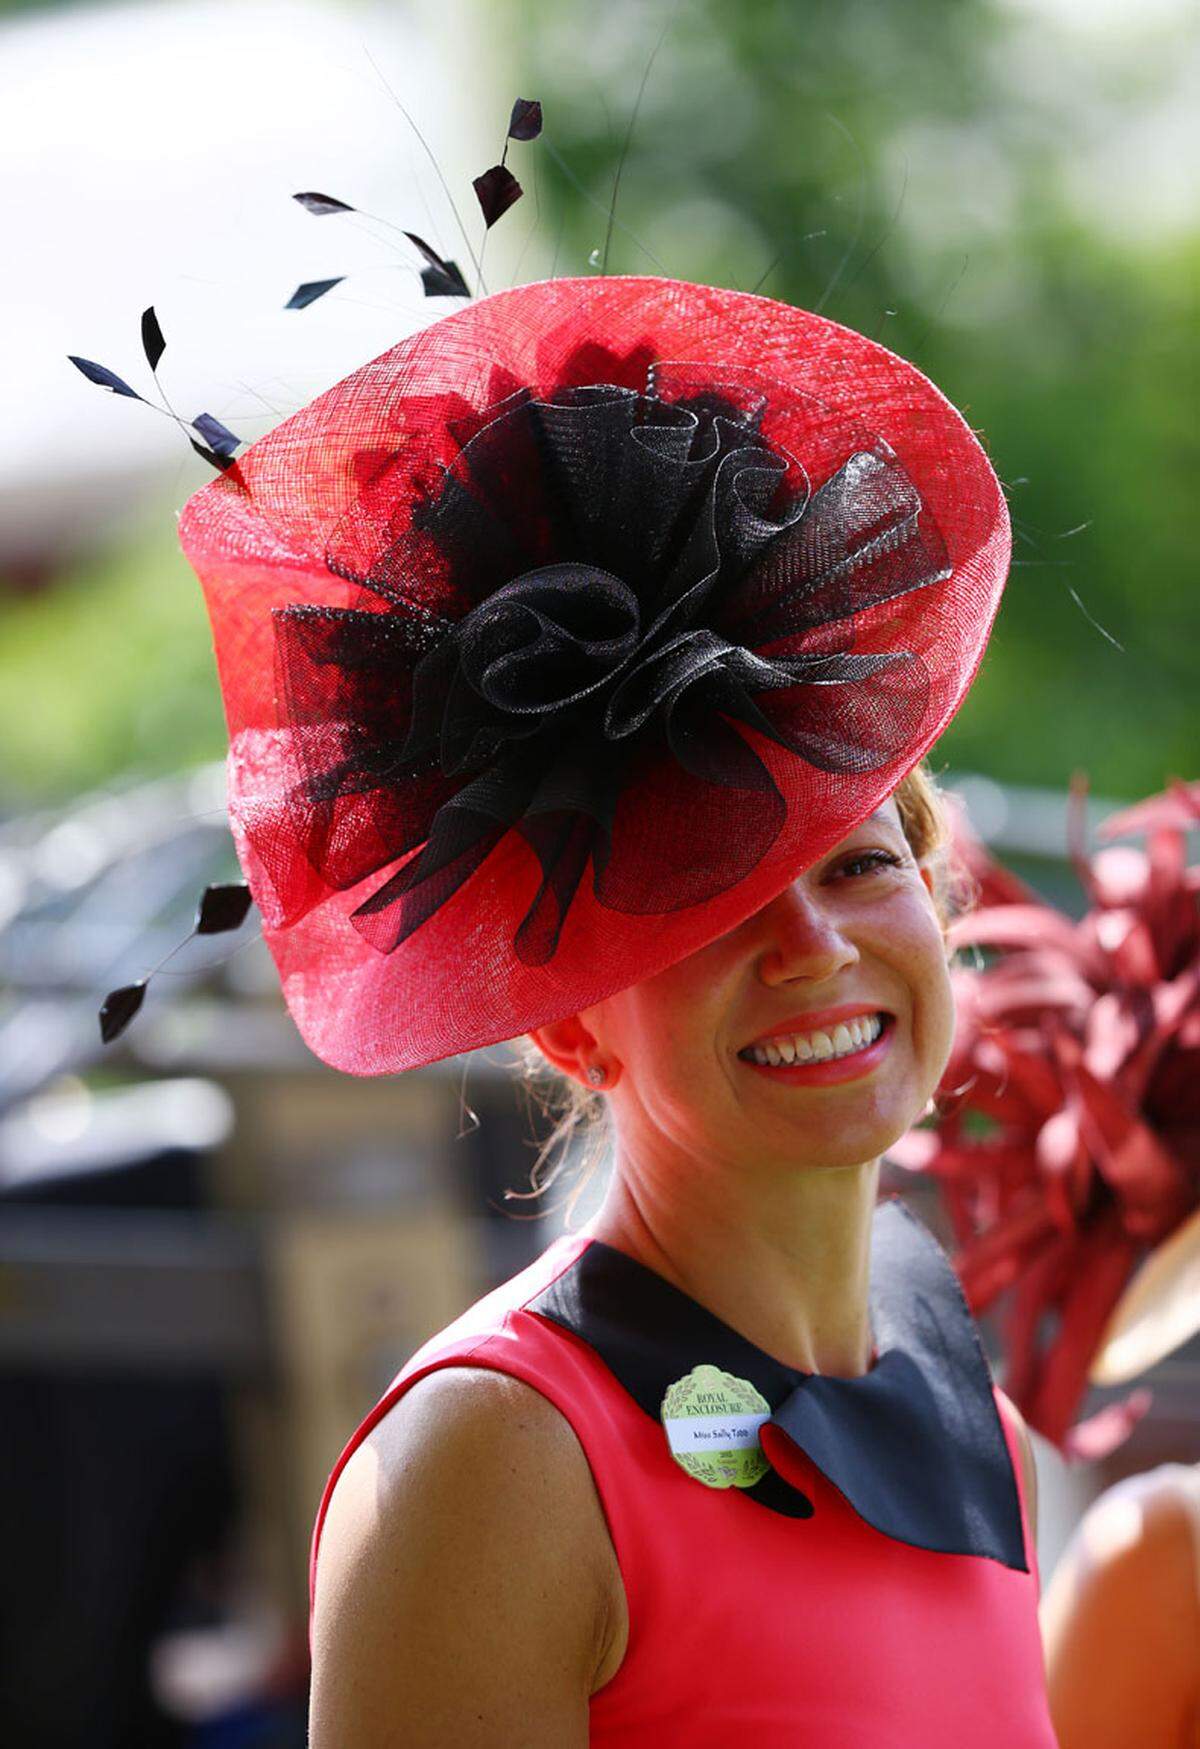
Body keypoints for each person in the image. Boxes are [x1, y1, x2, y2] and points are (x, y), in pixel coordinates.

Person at [175, 273, 1058, 1742]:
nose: (815, 946)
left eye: (854, 859)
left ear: (938, 890)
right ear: (572, 1025)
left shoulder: (971, 1409)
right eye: (711, 903)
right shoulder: (496, 1464)